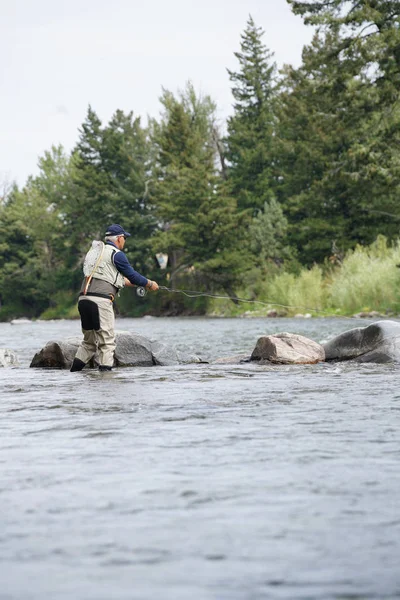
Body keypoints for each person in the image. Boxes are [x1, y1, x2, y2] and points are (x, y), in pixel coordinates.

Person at [70, 224, 159, 372]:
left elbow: (112, 278)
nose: (124, 241)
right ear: (118, 238)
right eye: (124, 238)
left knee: (89, 343)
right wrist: (149, 283)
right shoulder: (117, 254)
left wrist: (136, 284)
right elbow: (132, 275)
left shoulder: (97, 252)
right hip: (100, 302)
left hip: (84, 300)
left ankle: (73, 375)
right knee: (107, 344)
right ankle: (106, 382)